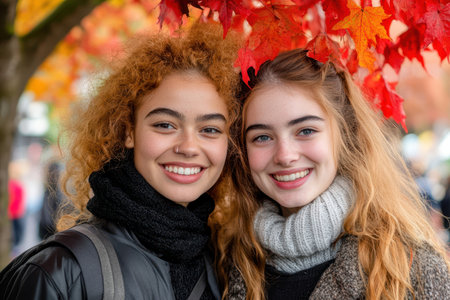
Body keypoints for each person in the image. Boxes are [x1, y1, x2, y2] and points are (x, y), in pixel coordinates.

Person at [0, 22, 241, 299]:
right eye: (165, 125)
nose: (188, 147)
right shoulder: (60, 272)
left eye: (210, 129)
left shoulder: (227, 268)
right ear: (128, 131)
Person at [212, 49, 450, 299]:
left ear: (344, 134)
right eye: (262, 137)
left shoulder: (413, 266)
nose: (284, 155)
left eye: (305, 131)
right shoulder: (225, 259)